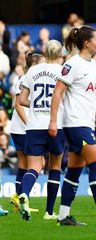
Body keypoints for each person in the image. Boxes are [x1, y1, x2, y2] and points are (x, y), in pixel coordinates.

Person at [49, 26, 96, 226]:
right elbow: (57, 92)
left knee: (74, 170)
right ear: (87, 43)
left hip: (86, 123)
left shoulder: (93, 65)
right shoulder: (73, 64)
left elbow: (92, 95)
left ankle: (63, 216)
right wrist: (54, 120)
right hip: (74, 123)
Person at [18, 40, 66, 221]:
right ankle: (49, 212)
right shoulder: (63, 71)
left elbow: (22, 100)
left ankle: (25, 195)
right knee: (55, 166)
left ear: (44, 53)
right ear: (60, 53)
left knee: (34, 167)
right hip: (56, 123)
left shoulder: (32, 70)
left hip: (34, 125)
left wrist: (38, 106)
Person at [9, 52, 43, 214]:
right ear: (35, 64)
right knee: (36, 164)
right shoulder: (25, 79)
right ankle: (22, 197)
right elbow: (17, 105)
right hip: (23, 128)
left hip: (20, 128)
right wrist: (28, 123)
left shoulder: (27, 78)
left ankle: (19, 199)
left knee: (23, 165)